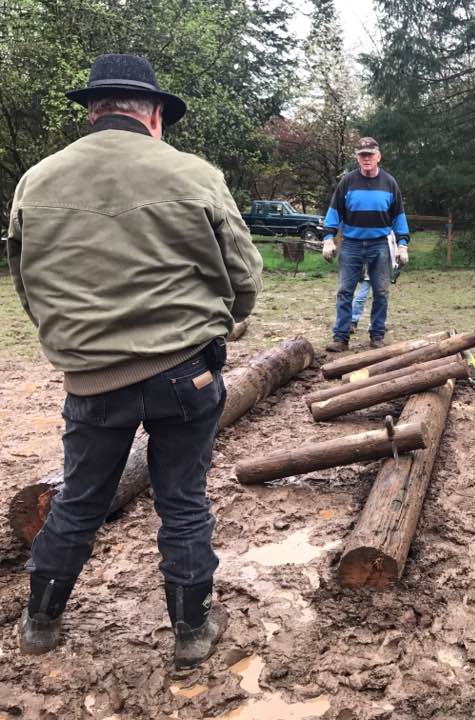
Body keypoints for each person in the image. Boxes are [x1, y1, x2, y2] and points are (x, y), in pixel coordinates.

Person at [6, 54, 262, 668]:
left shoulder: (36, 181)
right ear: (153, 116)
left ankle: (41, 621)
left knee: (78, 499)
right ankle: (192, 631)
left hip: (92, 378)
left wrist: (75, 345)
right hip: (185, 370)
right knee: (183, 499)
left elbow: (27, 284)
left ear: (94, 111)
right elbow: (245, 275)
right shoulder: (194, 174)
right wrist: (227, 317)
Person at [321, 137, 409, 351]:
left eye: (370, 154)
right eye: (362, 155)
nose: (366, 158)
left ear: (378, 156)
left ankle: (377, 336)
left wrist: (403, 243)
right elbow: (334, 212)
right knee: (345, 291)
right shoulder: (347, 182)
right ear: (357, 157)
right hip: (351, 243)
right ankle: (341, 337)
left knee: (381, 291)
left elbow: (398, 215)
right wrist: (327, 239)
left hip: (380, 244)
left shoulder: (390, 183)